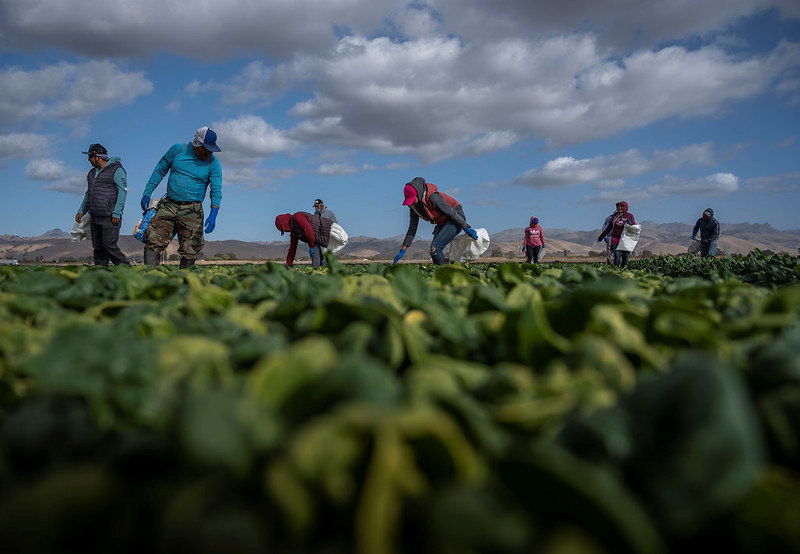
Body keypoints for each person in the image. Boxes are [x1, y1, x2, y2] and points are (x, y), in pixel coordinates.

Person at [139, 127, 222, 268]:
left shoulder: (213, 164)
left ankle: (185, 280)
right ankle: (150, 276)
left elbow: (216, 190)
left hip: (192, 210)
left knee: (191, 248)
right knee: (153, 240)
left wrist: (214, 212)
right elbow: (160, 170)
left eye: (211, 149)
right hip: (169, 205)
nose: (209, 152)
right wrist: (147, 192)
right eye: (206, 148)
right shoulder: (178, 150)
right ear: (197, 142)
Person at [393, 177, 479, 265]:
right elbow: (412, 227)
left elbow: (451, 213)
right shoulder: (414, 206)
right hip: (443, 222)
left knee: (435, 248)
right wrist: (404, 248)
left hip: (455, 218)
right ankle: (444, 270)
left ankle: (448, 272)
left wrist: (466, 227)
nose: (412, 202)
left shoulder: (433, 197)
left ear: (418, 194)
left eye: (412, 199)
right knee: (433, 251)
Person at [75, 143, 130, 267]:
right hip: (95, 216)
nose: (88, 160)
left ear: (97, 157)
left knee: (109, 245)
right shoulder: (91, 173)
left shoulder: (117, 170)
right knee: (98, 248)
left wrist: (117, 212)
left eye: (90, 157)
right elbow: (89, 193)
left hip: (110, 216)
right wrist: (81, 210)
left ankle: (126, 270)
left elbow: (123, 191)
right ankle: (101, 274)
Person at [597, 201, 637, 267]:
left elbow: (633, 226)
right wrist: (602, 236)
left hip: (625, 240)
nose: (619, 208)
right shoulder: (614, 217)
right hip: (615, 239)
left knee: (625, 258)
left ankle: (623, 271)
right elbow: (608, 228)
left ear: (625, 207)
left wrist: (630, 223)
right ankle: (616, 271)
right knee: (617, 257)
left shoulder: (629, 216)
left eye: (621, 206)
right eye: (618, 206)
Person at [310, 198, 337, 266]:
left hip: (327, 240)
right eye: (315, 206)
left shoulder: (329, 213)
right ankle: (314, 273)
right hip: (317, 240)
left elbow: (335, 225)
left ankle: (326, 273)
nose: (316, 208)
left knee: (326, 259)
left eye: (317, 206)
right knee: (316, 258)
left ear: (322, 205)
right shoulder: (314, 215)